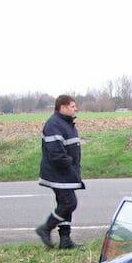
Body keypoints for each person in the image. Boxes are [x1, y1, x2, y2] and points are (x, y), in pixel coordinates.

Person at [35, 95, 85, 248]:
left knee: (64, 204)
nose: (75, 109)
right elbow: (56, 153)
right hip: (58, 173)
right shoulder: (54, 124)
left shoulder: (66, 123)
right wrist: (69, 165)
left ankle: (65, 240)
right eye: (72, 106)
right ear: (62, 108)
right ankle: (46, 228)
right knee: (69, 203)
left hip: (66, 173)